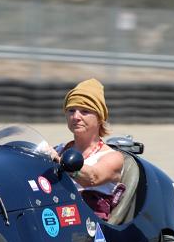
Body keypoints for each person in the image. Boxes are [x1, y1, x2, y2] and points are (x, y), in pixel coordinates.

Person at [50, 78, 125, 220]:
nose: (76, 117)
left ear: (99, 118)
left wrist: (59, 161)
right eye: (71, 110)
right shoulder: (59, 149)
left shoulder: (112, 157)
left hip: (90, 227)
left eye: (84, 111)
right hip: (54, 217)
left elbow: (92, 177)